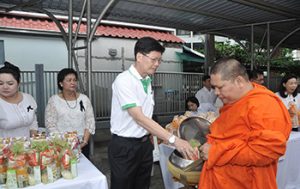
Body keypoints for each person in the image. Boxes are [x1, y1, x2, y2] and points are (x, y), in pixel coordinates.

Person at [109, 37, 195, 189]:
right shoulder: (124, 80)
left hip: (144, 145)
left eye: (159, 60)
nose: (157, 64)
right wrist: (174, 139)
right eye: (154, 59)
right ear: (139, 57)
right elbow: (139, 118)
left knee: (143, 185)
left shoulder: (147, 80)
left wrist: (153, 136)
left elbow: (147, 116)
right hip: (125, 147)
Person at [198, 58, 291, 189]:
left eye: (220, 87)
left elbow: (265, 151)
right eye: (214, 88)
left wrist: (215, 152)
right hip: (223, 178)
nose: (216, 93)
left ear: (239, 81)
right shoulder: (236, 101)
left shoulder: (264, 105)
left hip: (248, 182)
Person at [45, 68, 95, 157]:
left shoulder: (84, 99)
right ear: (61, 83)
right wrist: (62, 143)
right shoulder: (54, 100)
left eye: (75, 80)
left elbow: (90, 121)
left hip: (81, 144)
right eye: (69, 80)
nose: (73, 83)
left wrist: (84, 142)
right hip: (60, 145)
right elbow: (50, 124)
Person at [0, 61, 38, 138]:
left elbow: (33, 122)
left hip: (28, 146)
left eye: (10, 84)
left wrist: (35, 139)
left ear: (18, 84)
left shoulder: (28, 98)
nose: (5, 87)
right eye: (0, 83)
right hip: (5, 147)